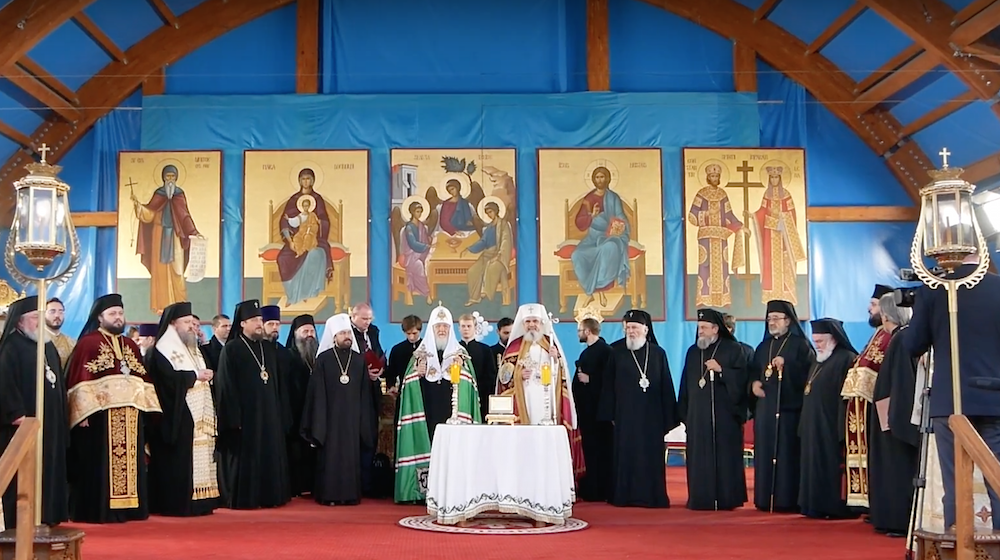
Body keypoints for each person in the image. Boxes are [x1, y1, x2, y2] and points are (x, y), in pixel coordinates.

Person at [904, 255, 1000, 532]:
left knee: (956, 480)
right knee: (997, 477)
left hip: (951, 400)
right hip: (995, 398)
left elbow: (913, 345)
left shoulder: (935, 289)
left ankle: (958, 544)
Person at [65, 293, 162, 523]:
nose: (118, 318)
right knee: (100, 466)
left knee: (132, 464)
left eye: (120, 313)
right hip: (99, 418)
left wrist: (147, 409)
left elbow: (143, 378)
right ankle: (101, 510)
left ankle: (130, 509)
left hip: (131, 415)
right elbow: (78, 380)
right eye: (112, 314)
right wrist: (81, 414)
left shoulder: (129, 345)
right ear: (100, 317)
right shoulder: (88, 344)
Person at [394, 306, 481, 504]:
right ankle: (422, 491)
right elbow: (407, 385)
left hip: (453, 412)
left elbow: (471, 386)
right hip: (427, 411)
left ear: (450, 328)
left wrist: (461, 371)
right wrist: (417, 374)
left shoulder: (460, 353)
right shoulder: (420, 354)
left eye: (445, 326)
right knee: (430, 446)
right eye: (438, 326)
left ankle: (455, 491)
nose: (441, 330)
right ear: (431, 328)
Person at [214, 299, 291, 510]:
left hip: (269, 415)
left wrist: (280, 414)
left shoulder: (268, 348)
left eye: (260, 319)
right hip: (246, 418)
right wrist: (234, 419)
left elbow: (276, 384)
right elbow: (226, 388)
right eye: (254, 320)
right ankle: (248, 499)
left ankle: (270, 496)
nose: (259, 323)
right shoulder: (232, 350)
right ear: (242, 324)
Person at [0, 296, 69, 528]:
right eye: (34, 318)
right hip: (22, 427)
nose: (40, 322)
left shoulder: (47, 345)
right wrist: (16, 414)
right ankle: (20, 522)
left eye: (41, 317)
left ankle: (47, 515)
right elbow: (4, 384)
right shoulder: (11, 347)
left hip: (50, 425)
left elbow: (58, 383)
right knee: (23, 475)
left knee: (48, 469)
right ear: (20, 322)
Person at [144, 301, 218, 517]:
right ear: (173, 323)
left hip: (193, 417)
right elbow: (166, 382)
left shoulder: (189, 347)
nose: (190, 327)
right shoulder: (161, 350)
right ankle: (175, 504)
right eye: (186, 322)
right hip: (172, 417)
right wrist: (194, 376)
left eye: (192, 323)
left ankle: (198, 501)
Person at [599, 309, 679, 507]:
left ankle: (653, 497)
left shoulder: (658, 353)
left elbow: (666, 385)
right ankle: (623, 497)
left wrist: (668, 416)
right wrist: (610, 413)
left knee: (650, 456)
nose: (631, 332)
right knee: (625, 456)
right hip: (624, 416)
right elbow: (608, 385)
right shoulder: (616, 352)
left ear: (645, 329)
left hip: (651, 417)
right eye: (627, 328)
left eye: (634, 327)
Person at [497, 303, 584, 479]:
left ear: (541, 322)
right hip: (525, 401)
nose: (531, 325)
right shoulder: (514, 347)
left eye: (535, 321)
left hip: (548, 402)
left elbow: (563, 377)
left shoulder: (551, 345)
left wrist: (556, 359)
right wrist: (519, 375)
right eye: (528, 321)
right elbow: (504, 379)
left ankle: (551, 476)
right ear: (522, 324)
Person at [301, 314, 376, 505]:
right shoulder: (324, 360)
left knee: (351, 457)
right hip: (329, 419)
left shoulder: (358, 360)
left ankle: (350, 495)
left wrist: (364, 422)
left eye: (348, 333)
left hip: (352, 419)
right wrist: (318, 424)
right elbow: (316, 394)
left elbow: (364, 394)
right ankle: (329, 496)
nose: (347, 336)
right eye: (342, 333)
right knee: (330, 457)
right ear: (334, 336)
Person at [678, 308, 748, 511]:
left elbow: (741, 381)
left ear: (716, 329)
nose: (700, 331)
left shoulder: (733, 349)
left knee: (724, 458)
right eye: (699, 327)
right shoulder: (693, 351)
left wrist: (721, 371)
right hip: (698, 418)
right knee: (699, 457)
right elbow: (686, 384)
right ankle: (700, 498)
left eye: (704, 328)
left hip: (724, 417)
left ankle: (726, 498)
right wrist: (684, 413)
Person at [749, 300, 814, 513]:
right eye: (769, 318)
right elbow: (754, 374)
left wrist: (788, 366)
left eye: (776, 318)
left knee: (787, 455)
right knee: (765, 453)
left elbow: (808, 375)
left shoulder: (800, 345)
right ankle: (764, 498)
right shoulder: (762, 347)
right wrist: (754, 385)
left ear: (788, 320)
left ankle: (787, 500)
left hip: (789, 411)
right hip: (766, 412)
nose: (772, 322)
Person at [840, 284, 894, 510]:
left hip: (877, 405)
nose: (868, 309)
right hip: (863, 406)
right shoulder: (877, 334)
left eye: (873, 305)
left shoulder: (889, 335)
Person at [868, 293, 918, 537]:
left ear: (886, 315)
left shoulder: (899, 339)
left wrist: (895, 421)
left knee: (896, 470)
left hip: (895, 419)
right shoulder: (905, 336)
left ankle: (897, 520)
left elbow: (900, 384)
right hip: (897, 416)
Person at [798, 318, 857, 520]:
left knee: (830, 466)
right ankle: (812, 505)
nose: (817, 346)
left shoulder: (847, 359)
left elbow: (848, 398)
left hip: (832, 425)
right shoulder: (819, 359)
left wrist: (842, 428)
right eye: (815, 342)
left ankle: (832, 507)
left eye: (820, 342)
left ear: (833, 339)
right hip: (813, 424)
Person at [131, 164, 202, 313]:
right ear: (163, 178)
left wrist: (194, 232)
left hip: (176, 236)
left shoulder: (179, 194)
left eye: (173, 177)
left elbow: (184, 216)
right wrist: (139, 207)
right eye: (168, 176)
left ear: (176, 178)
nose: (170, 180)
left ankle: (179, 304)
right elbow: (150, 214)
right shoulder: (159, 194)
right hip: (159, 234)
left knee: (177, 270)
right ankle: (161, 306)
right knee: (160, 271)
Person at [573, 309, 612, 502]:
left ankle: (600, 489)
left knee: (600, 450)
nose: (578, 333)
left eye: (580, 330)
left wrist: (591, 379)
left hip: (598, 412)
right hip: (587, 411)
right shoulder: (590, 352)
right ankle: (592, 486)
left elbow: (610, 380)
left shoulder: (605, 352)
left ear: (587, 331)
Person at [285, 314, 318, 497]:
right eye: (305, 331)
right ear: (296, 333)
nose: (309, 335)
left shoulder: (319, 355)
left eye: (312, 331)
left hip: (315, 412)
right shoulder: (288, 356)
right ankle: (296, 486)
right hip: (295, 411)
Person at [457, 313, 497, 418]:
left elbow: (491, 376)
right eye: (463, 326)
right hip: (458, 395)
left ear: (475, 328)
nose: (466, 329)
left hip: (481, 396)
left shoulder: (485, 350)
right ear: (459, 329)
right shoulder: (454, 349)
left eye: (469, 326)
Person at [44, 297, 75, 368]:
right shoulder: (37, 340)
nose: (57, 315)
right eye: (52, 311)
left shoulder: (71, 342)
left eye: (60, 312)